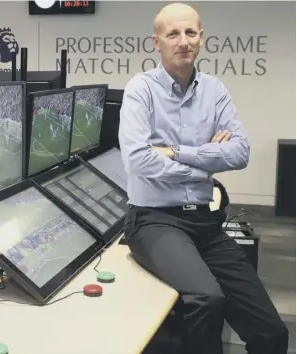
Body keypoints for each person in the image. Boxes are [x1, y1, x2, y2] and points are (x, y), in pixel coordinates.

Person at [118, 3, 287, 354]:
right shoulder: (141, 90)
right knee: (205, 298)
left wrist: (176, 152)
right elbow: (138, 160)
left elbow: (239, 153)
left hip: (207, 225)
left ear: (201, 38)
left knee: (272, 334)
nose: (183, 41)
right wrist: (207, 162)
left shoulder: (215, 90)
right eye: (173, 34)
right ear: (156, 42)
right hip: (154, 221)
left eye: (190, 33)